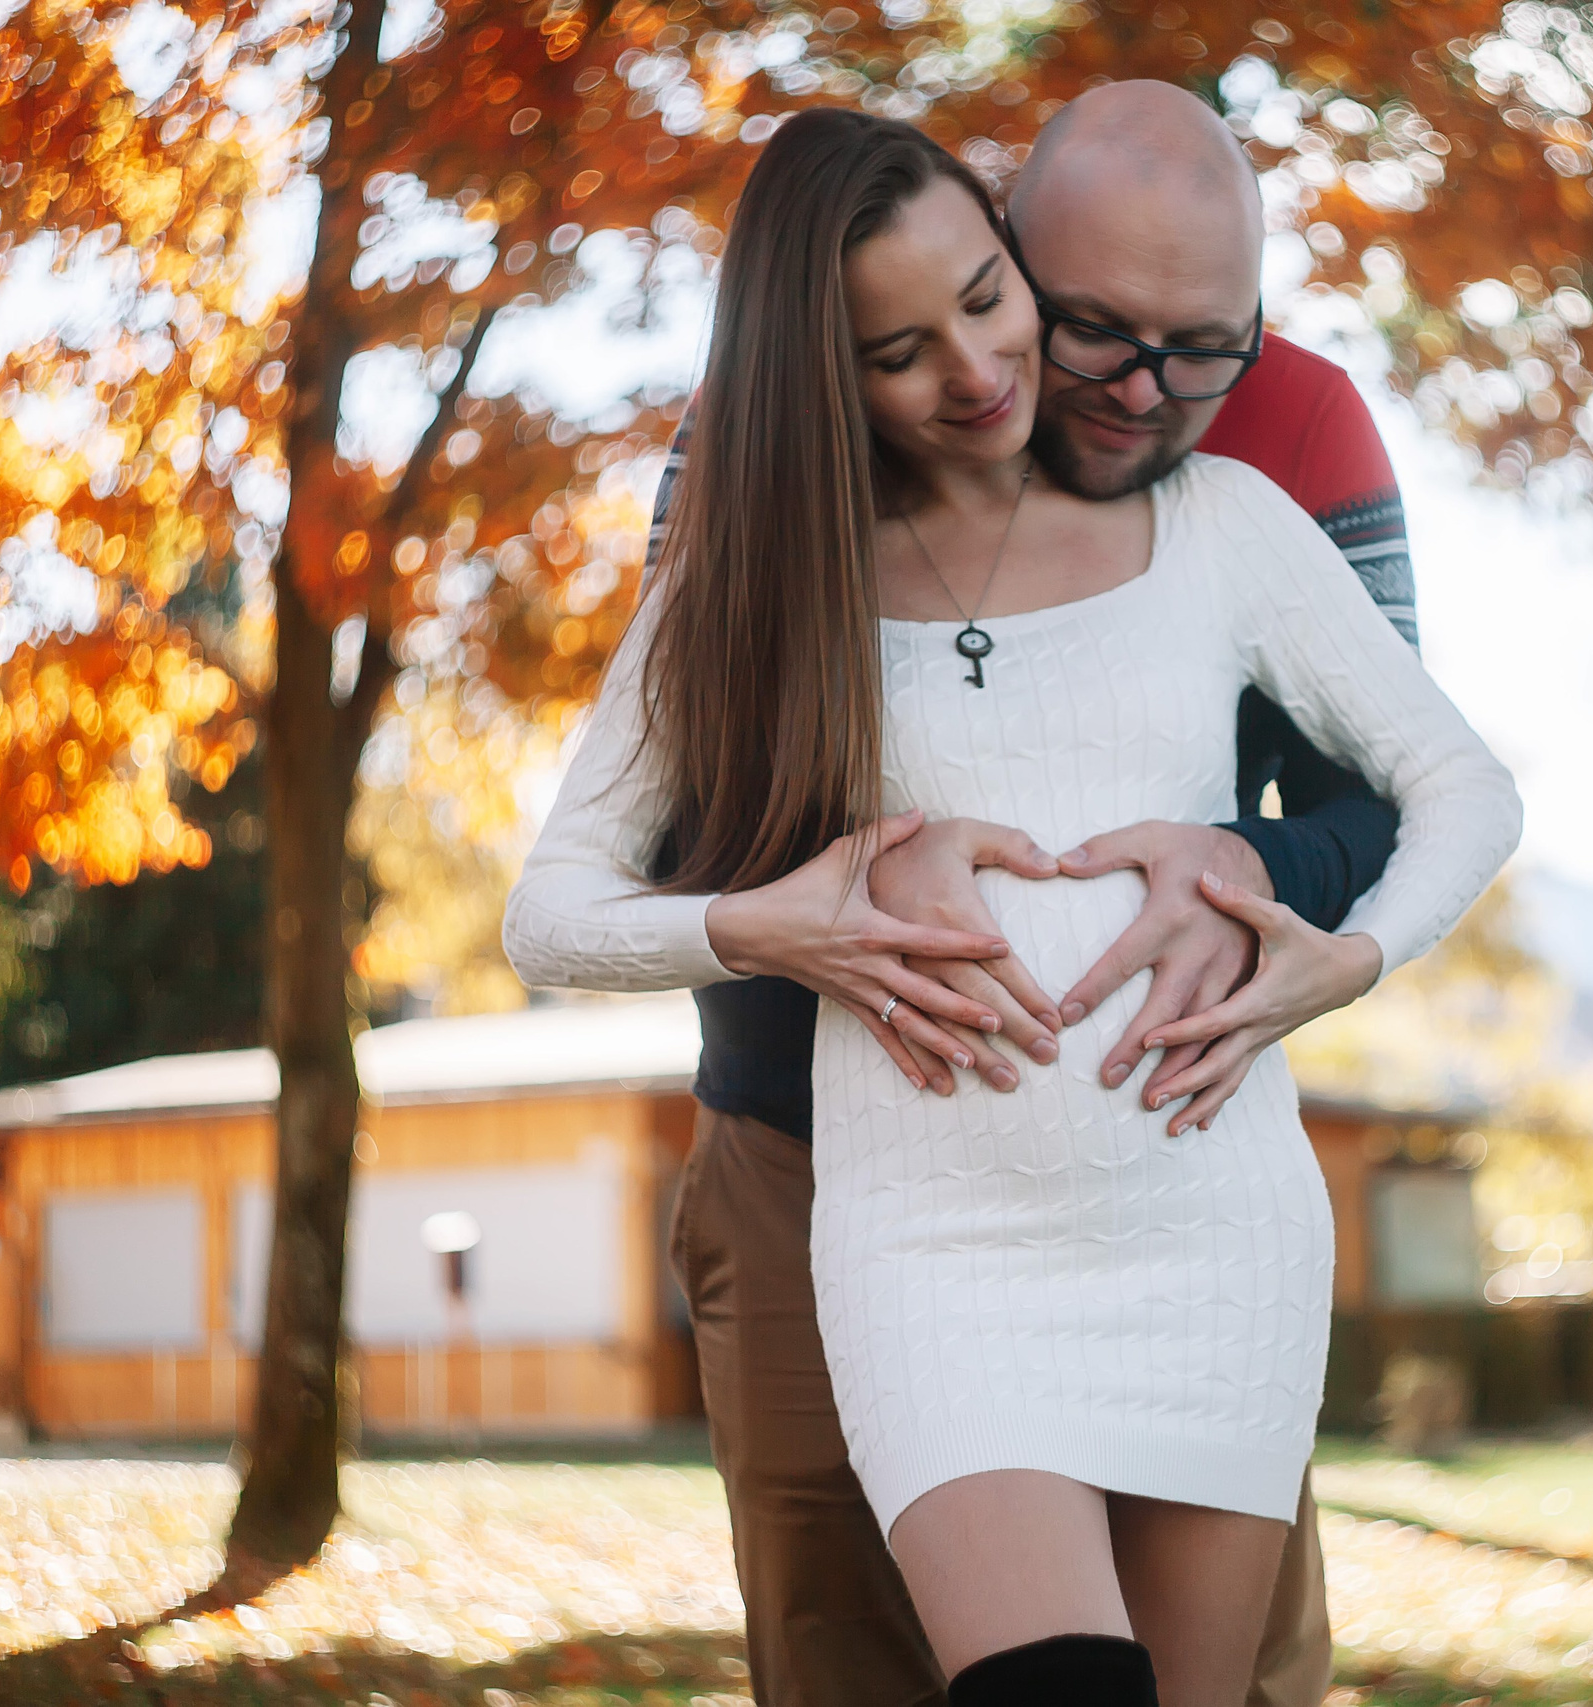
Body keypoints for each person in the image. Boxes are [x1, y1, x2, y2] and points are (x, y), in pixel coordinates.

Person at [505, 99, 1519, 1705]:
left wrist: (1271, 887)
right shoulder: (766, 472)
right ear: (1022, 243)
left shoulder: (1273, 451)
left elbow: (1402, 784)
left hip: (1192, 1201)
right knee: (866, 1656)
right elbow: (669, 820)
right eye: (1094, 328)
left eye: (1205, 347)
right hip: (849, 1172)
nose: (1133, 388)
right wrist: (821, 884)